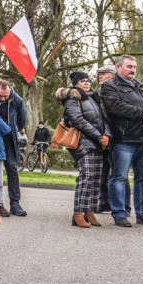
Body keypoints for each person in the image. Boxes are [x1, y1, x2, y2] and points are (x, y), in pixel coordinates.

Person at [99, 55, 143, 228]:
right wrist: (142, 112)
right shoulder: (109, 87)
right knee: (119, 177)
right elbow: (115, 107)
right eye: (129, 66)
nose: (133, 70)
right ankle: (119, 214)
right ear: (118, 67)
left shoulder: (142, 87)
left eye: (134, 67)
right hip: (124, 140)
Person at [55, 72, 110, 228]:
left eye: (88, 81)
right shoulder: (72, 99)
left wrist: (106, 135)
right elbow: (78, 121)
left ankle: (89, 211)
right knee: (86, 176)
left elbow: (104, 119)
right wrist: (99, 137)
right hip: (82, 143)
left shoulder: (93, 98)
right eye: (82, 81)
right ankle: (78, 213)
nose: (86, 83)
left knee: (96, 179)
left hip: (98, 144)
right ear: (75, 84)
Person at [95, 64, 128, 214]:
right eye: (99, 74)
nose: (100, 76)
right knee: (102, 172)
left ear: (114, 75)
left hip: (117, 137)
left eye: (104, 73)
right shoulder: (96, 92)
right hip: (101, 137)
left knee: (120, 173)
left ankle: (124, 206)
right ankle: (104, 202)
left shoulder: (121, 91)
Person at [0, 79, 27, 216]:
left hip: (8, 136)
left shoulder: (17, 100)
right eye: (0, 96)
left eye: (5, 96)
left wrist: (11, 129)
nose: (2, 98)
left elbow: (21, 119)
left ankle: (15, 203)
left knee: (12, 168)